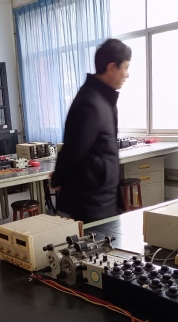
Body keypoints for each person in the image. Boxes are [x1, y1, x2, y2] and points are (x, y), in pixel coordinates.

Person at [50, 38, 131, 223]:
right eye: (125, 68)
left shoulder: (103, 99)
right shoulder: (90, 103)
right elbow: (73, 149)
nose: (127, 75)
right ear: (112, 68)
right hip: (90, 204)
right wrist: (58, 178)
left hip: (104, 200)